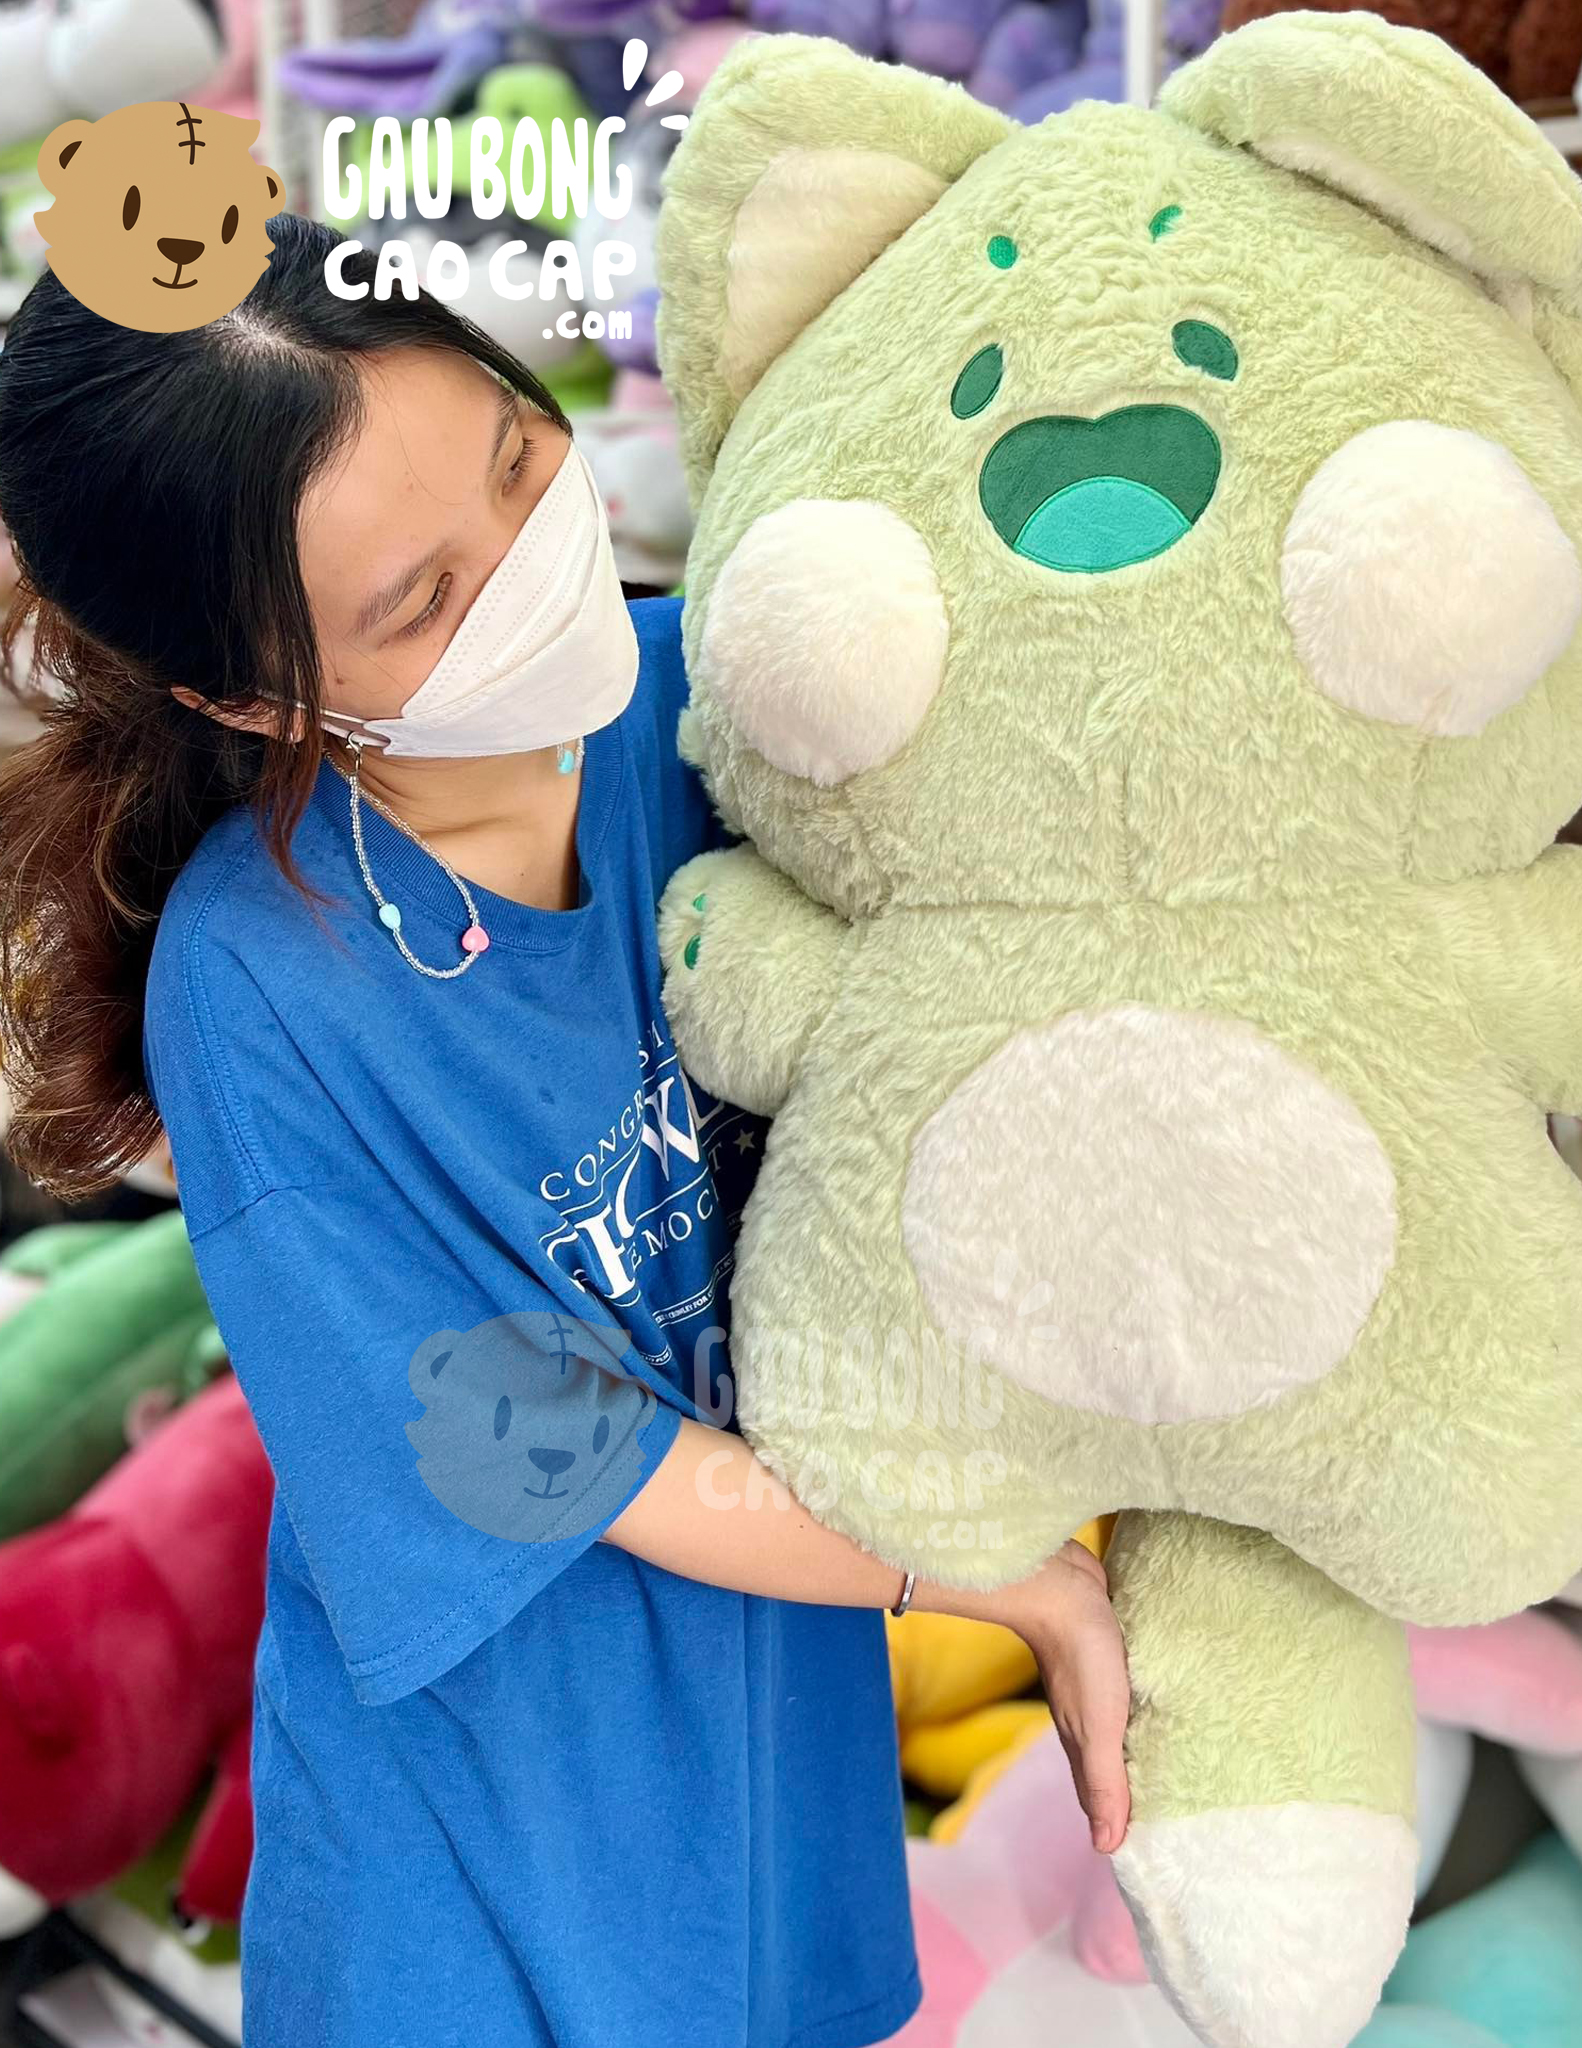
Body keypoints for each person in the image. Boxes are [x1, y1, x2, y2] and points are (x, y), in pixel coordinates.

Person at [0, 215, 1130, 2048]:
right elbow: (556, 1447)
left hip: (778, 1772)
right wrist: (1007, 1579)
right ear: (249, 696)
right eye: (424, 601)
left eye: (523, 465)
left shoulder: (712, 706)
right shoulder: (262, 988)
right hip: (493, 1866)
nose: (534, 566)